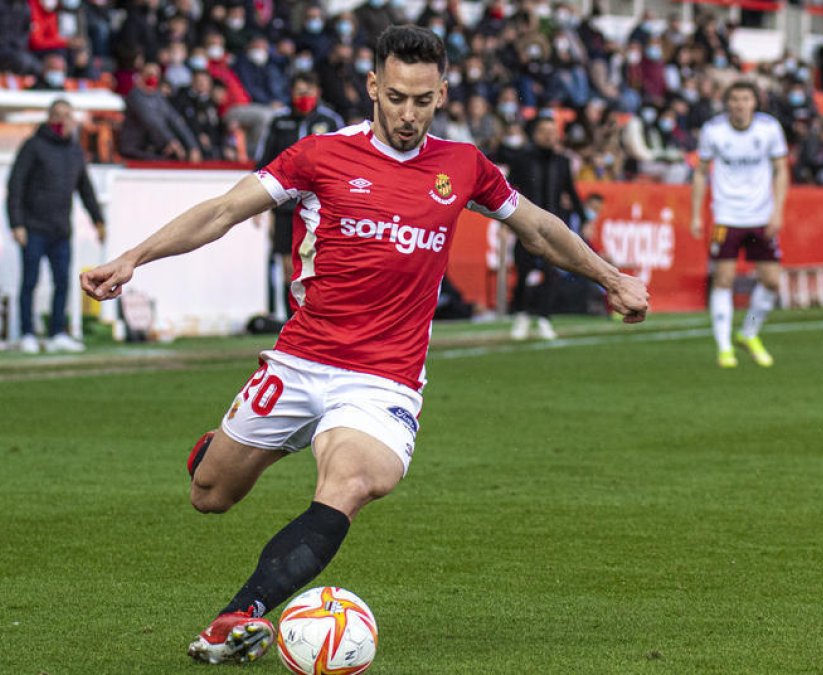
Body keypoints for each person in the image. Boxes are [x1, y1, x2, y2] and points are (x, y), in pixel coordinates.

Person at [79, 25, 649, 667]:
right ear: (374, 86)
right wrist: (133, 257)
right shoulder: (319, 156)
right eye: (397, 97)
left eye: (423, 101)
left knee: (350, 481)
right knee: (210, 494)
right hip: (301, 361)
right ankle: (219, 449)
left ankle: (241, 614)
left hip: (383, 379)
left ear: (442, 94)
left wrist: (612, 278)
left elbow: (538, 228)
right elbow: (223, 211)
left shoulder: (463, 166)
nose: (408, 115)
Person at [690, 80, 788, 368]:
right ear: (727, 103)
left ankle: (749, 332)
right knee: (723, 279)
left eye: (745, 99)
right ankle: (724, 348)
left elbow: (781, 169)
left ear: (754, 102)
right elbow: (700, 172)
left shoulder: (769, 129)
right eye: (734, 99)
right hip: (727, 216)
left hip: (761, 215)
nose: (740, 104)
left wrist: (778, 211)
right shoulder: (713, 131)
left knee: (771, 281)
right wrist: (696, 214)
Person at [7, 98, 106, 354]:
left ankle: (56, 333)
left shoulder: (74, 151)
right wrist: (16, 223)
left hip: (61, 230)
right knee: (30, 282)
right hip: (33, 228)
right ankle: (27, 333)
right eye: (59, 115)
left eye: (68, 116)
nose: (63, 121)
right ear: (50, 118)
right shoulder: (33, 146)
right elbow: (16, 185)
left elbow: (85, 189)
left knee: (63, 282)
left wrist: (98, 220)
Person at [254, 70, 343, 320]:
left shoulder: (331, 121)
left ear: (318, 92)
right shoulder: (278, 121)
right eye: (299, 92)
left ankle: (320, 318)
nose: (304, 97)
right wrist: (259, 206)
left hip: (320, 205)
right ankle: (291, 320)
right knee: (288, 266)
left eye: (308, 92)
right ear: (291, 94)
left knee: (320, 263)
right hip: (285, 205)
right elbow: (263, 162)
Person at [500, 115, 585, 341]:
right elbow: (506, 191)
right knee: (523, 272)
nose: (550, 136)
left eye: (553, 132)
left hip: (554, 228)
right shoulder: (522, 159)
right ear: (535, 134)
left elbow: (571, 191)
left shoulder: (562, 162)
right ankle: (521, 315)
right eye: (545, 131)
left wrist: (585, 219)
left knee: (551, 274)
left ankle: (545, 318)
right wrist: (504, 222)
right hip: (525, 226)